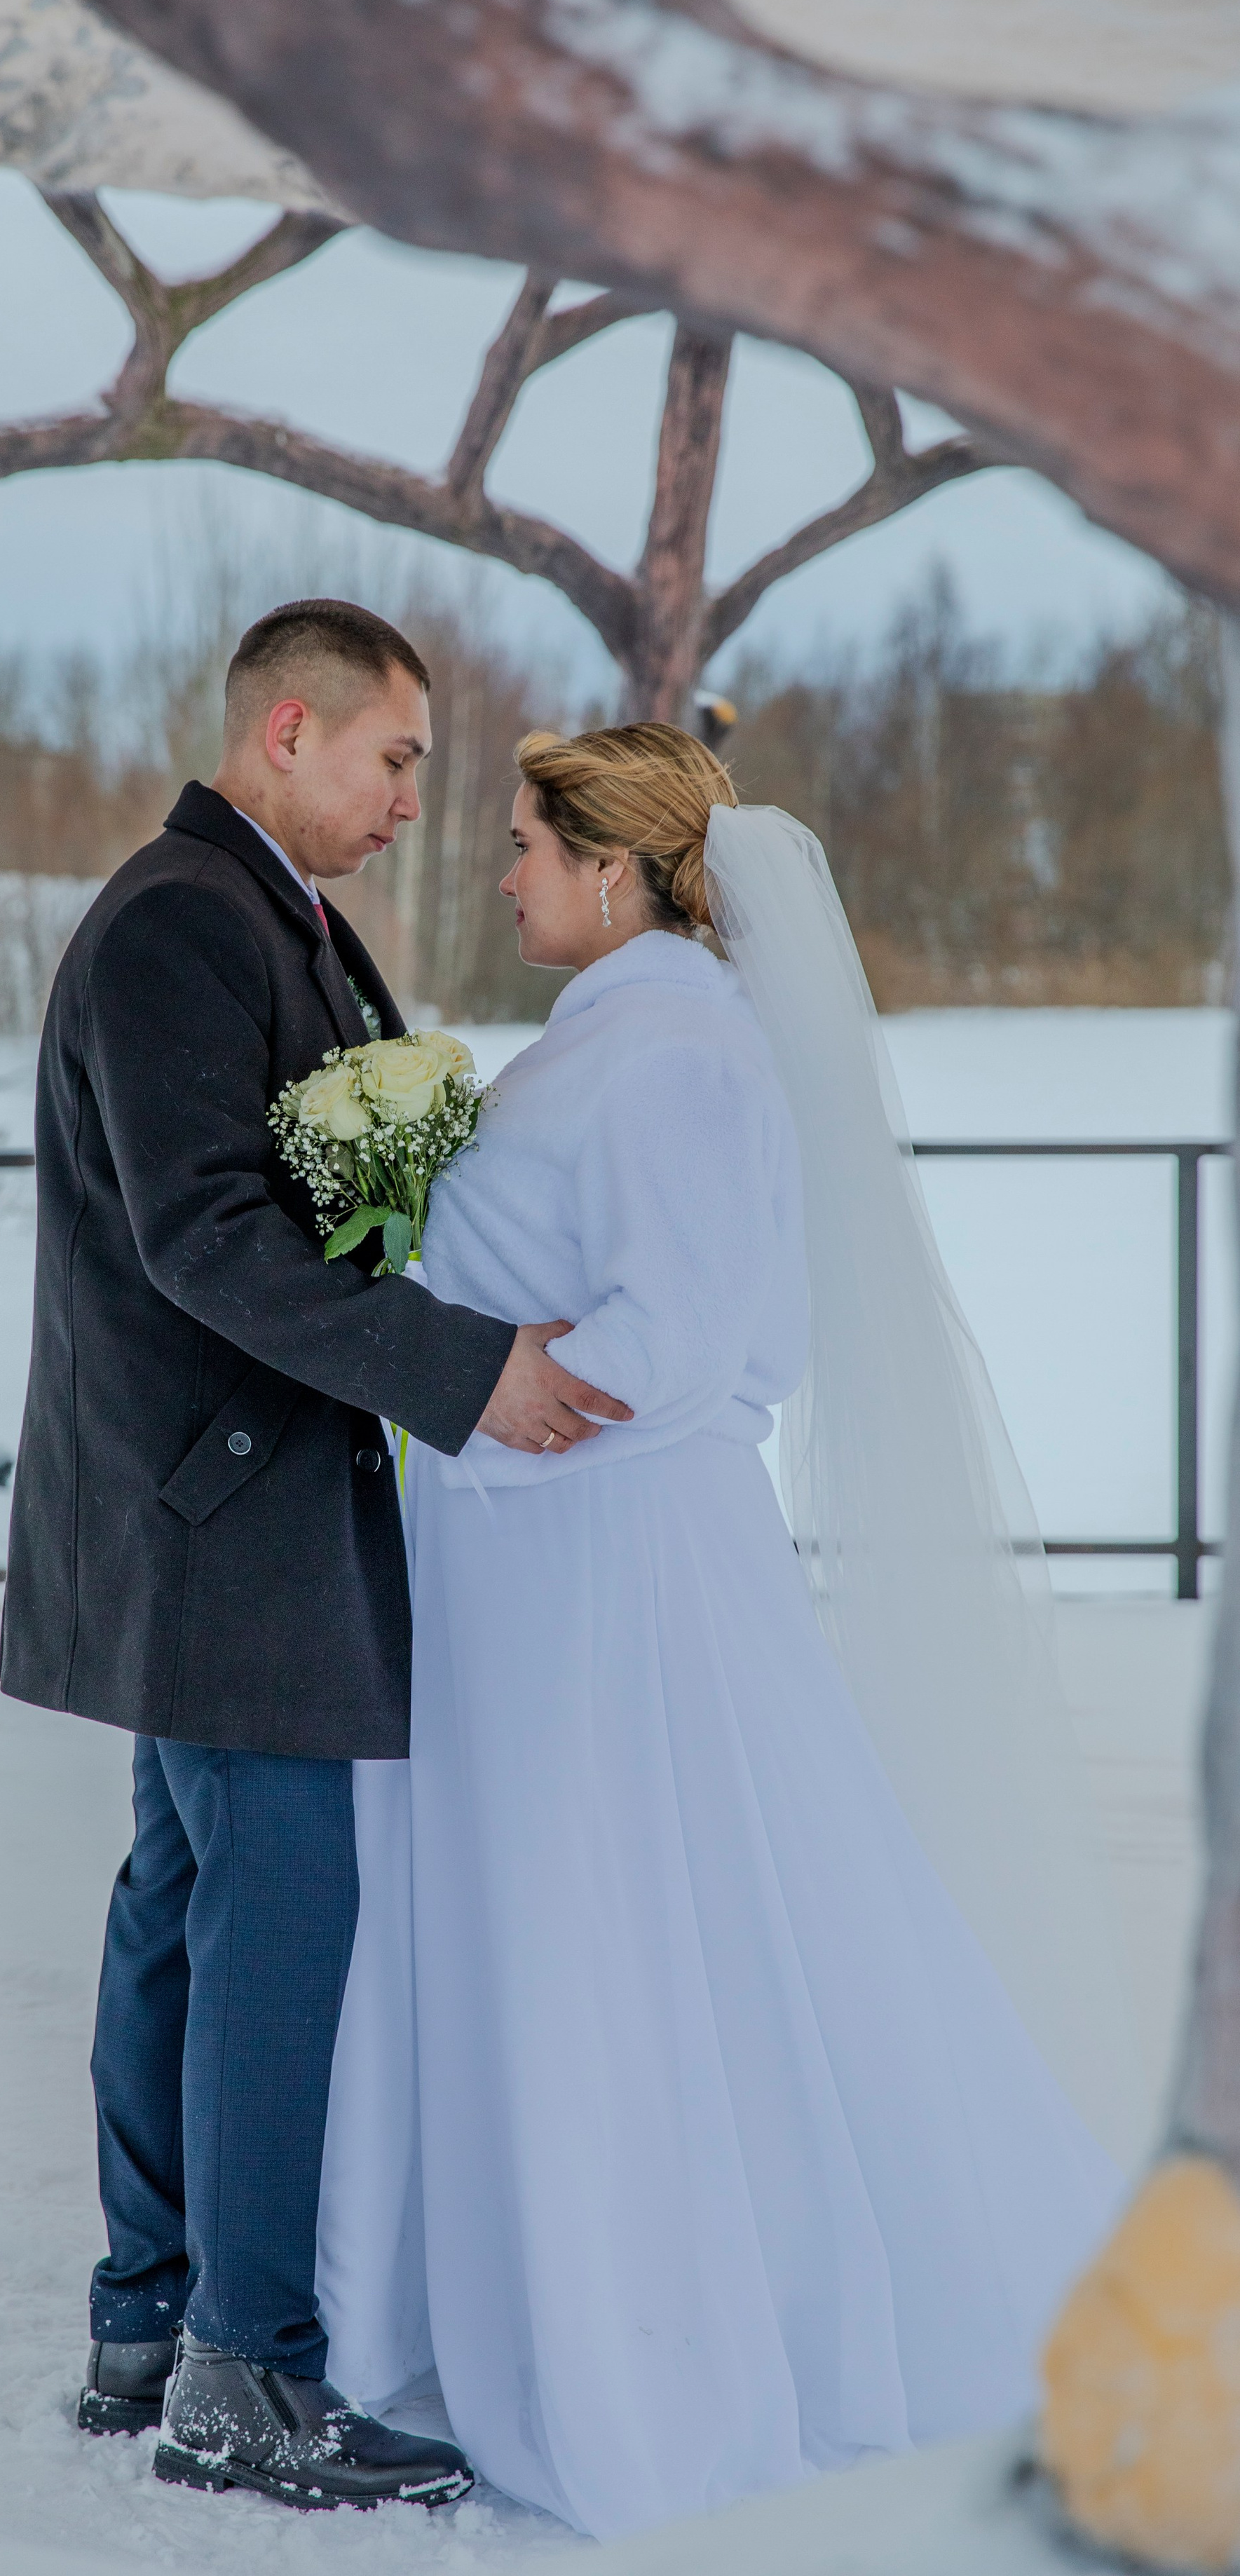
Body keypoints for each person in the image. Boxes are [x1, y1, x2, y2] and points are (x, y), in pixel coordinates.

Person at [316, 721, 1132, 2540]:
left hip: (598, 1562)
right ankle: (542, 2301)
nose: (505, 869)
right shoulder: (625, 1028)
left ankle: (638, 2352)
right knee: (614, 1914)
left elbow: (680, 1332)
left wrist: (488, 1412)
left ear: (614, 869)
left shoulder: (675, 1049)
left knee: (620, 1924)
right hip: (543, 1560)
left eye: (527, 842)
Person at [0, 600, 632, 2512]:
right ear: (290, 729)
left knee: (186, 1908)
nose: (417, 800)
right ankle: (241, 2376)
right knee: (266, 1926)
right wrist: (467, 1372)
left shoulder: (269, 916)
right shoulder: (192, 919)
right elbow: (206, 1235)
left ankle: (151, 2314)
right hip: (224, 1504)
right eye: (396, 759)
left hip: (208, 1501)